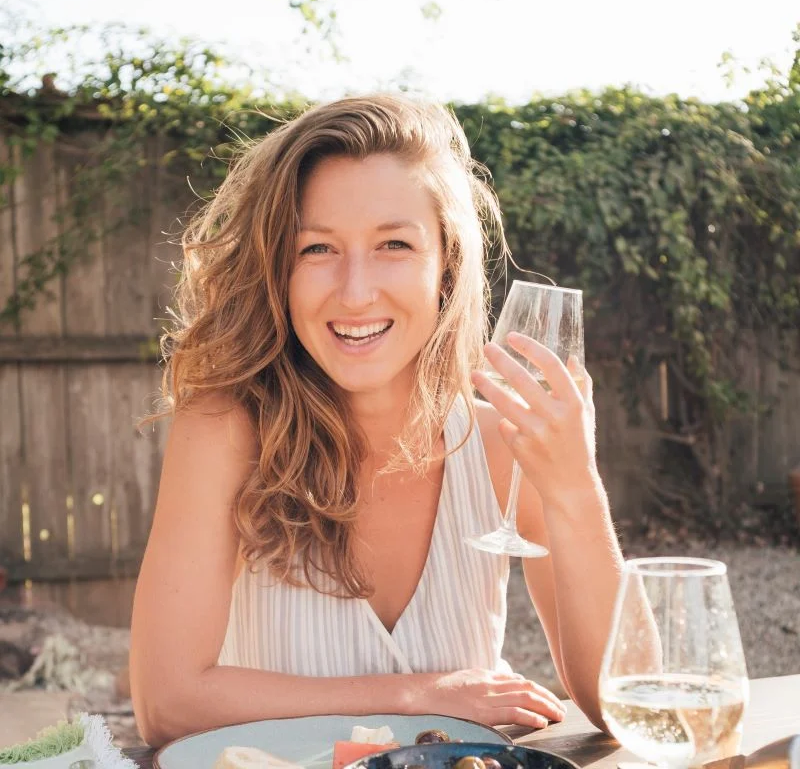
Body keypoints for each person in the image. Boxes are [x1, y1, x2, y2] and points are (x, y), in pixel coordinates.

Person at [129, 93, 624, 748]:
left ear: (445, 265)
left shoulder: (503, 446)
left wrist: (576, 485)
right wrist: (419, 697)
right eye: (317, 248)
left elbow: (621, 701)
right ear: (278, 270)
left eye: (394, 244)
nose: (356, 291)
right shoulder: (226, 431)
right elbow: (167, 703)